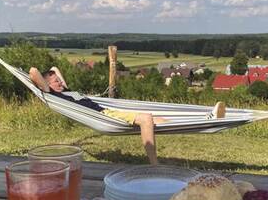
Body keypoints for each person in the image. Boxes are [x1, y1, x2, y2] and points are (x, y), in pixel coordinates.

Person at [29, 66, 225, 165]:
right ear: (47, 85)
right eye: (56, 82)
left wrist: (55, 78)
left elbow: (54, 68)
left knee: (157, 121)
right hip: (103, 115)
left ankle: (205, 118)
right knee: (146, 118)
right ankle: (154, 164)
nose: (60, 83)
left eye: (59, 81)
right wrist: (45, 85)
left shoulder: (66, 90)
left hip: (109, 112)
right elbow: (33, 72)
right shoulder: (53, 94)